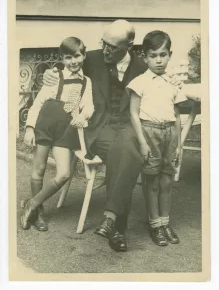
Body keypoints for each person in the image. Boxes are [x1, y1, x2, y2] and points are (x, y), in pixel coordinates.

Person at [43, 20, 182, 252]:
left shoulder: (143, 66)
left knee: (126, 149)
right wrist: (50, 73)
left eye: (112, 47)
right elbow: (68, 68)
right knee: (129, 152)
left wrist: (176, 81)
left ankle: (113, 223)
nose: (105, 50)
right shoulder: (93, 59)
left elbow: (164, 86)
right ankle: (116, 223)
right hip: (98, 129)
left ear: (128, 45)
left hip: (128, 128)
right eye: (104, 44)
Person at [20, 37, 94, 231]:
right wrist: (29, 127)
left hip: (66, 129)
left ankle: (32, 203)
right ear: (62, 59)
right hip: (46, 124)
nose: (73, 61)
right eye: (68, 58)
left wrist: (84, 115)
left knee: (63, 174)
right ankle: (39, 215)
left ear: (84, 55)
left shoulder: (87, 82)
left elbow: (89, 106)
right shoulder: (55, 77)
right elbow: (38, 103)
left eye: (77, 56)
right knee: (39, 168)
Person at [127, 30, 187, 246]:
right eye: (153, 55)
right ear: (145, 57)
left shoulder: (173, 83)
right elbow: (133, 113)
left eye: (163, 54)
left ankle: (165, 222)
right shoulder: (140, 82)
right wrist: (143, 142)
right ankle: (155, 224)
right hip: (149, 132)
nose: (159, 60)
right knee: (151, 182)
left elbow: (178, 116)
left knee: (167, 181)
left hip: (170, 133)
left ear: (169, 55)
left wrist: (178, 144)